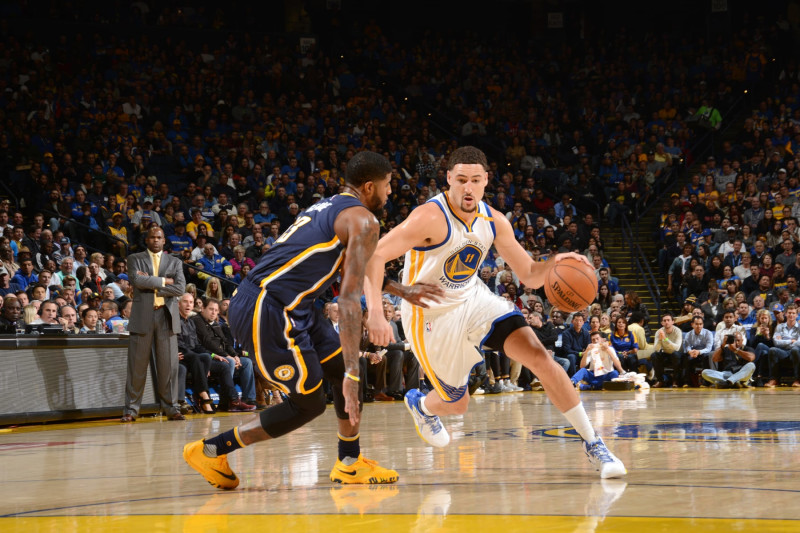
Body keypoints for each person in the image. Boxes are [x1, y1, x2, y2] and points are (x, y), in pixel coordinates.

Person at [183, 151, 443, 489]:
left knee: (342, 370)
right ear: (369, 187)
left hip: (296, 305)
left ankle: (349, 463)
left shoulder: (330, 204)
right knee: (310, 401)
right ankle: (211, 449)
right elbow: (348, 302)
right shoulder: (365, 220)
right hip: (269, 308)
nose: (391, 192)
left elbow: (357, 265)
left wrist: (401, 289)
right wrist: (356, 360)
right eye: (388, 185)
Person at [363, 146, 626, 478]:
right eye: (461, 180)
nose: (468, 188)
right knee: (457, 404)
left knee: (539, 356)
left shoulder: (494, 220)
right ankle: (422, 404)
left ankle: (593, 443)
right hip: (429, 315)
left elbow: (530, 273)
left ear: (486, 180)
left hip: (472, 299)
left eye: (475, 180)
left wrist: (557, 261)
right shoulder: (429, 216)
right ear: (448, 179)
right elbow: (373, 256)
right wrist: (375, 311)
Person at [121, 226, 187, 423]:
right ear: (147, 240)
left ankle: (172, 408)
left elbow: (180, 288)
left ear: (164, 240)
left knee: (169, 367)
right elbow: (136, 280)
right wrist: (165, 281)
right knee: (137, 367)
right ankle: (131, 410)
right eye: (152, 237)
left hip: (166, 317)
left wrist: (154, 285)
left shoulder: (175, 261)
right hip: (143, 316)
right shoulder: (135, 258)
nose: (156, 240)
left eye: (159, 237)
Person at [650, 313, 683, 388]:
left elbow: (677, 348)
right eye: (664, 321)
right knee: (654, 355)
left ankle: (675, 380)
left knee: (675, 354)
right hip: (665, 353)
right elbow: (656, 349)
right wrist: (659, 340)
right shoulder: (659, 332)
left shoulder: (677, 331)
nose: (666, 322)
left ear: (672, 322)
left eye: (668, 320)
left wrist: (666, 339)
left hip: (676, 354)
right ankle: (660, 380)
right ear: (662, 323)